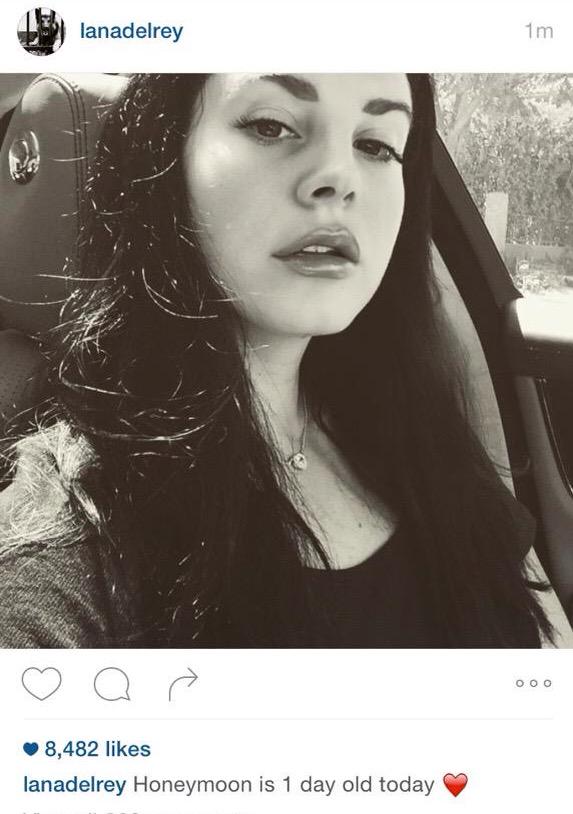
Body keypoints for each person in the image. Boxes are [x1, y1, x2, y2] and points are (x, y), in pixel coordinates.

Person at [0, 73, 571, 648]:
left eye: (376, 145)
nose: (339, 178)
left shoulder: (418, 431)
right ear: (166, 160)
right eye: (271, 126)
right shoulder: (70, 537)